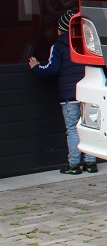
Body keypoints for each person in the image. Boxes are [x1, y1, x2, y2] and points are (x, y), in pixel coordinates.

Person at [28, 10, 92, 175]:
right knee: (89, 128)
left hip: (70, 97)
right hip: (88, 93)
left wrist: (36, 68)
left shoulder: (58, 46)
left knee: (72, 129)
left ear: (61, 29)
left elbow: (52, 69)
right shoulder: (87, 42)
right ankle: (91, 163)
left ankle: (74, 165)